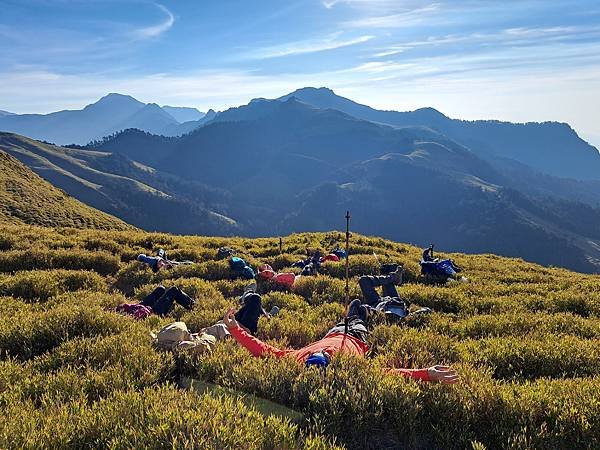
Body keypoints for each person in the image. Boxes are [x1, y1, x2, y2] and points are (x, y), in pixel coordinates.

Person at [222, 299, 458, 384]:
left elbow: (262, 349)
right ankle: (364, 314)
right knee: (358, 314)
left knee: (349, 311)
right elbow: (391, 373)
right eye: (324, 359)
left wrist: (234, 329)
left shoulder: (295, 360)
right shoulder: (348, 368)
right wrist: (427, 373)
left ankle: (360, 311)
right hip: (356, 336)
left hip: (332, 333)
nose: (322, 356)